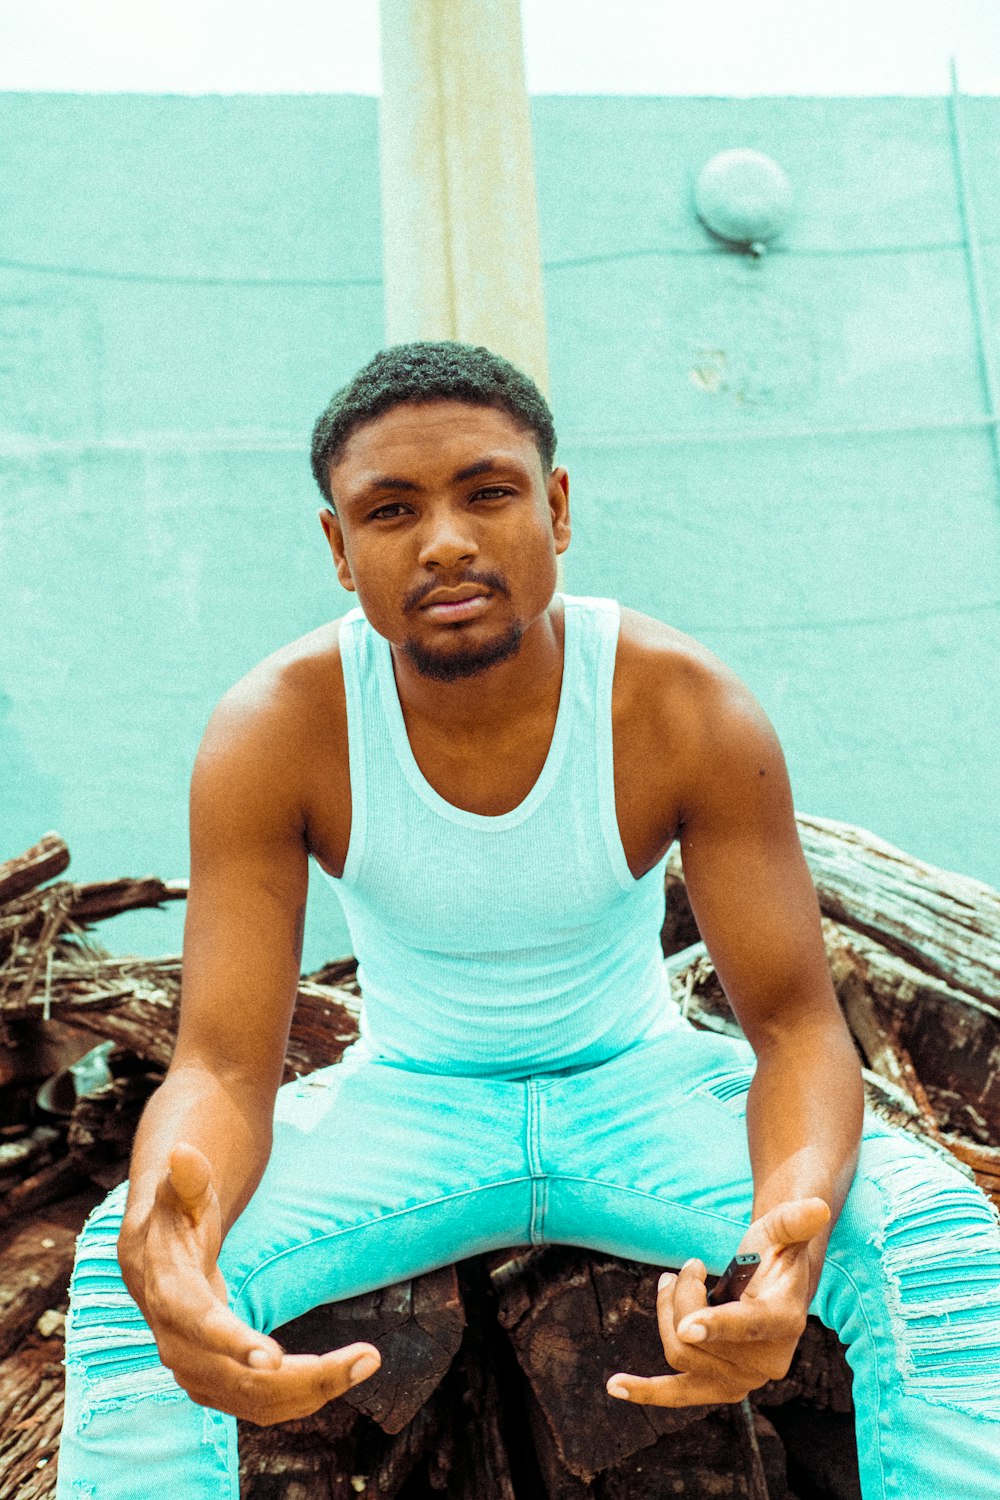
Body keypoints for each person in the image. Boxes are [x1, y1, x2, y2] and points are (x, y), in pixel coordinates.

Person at [57, 342, 1000, 1498]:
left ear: (555, 508)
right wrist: (169, 1214)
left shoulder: (680, 703)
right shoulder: (276, 727)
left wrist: (781, 1239)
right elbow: (220, 1063)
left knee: (934, 1250)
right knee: (132, 1276)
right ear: (337, 550)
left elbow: (799, 1029)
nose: (445, 538)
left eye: (487, 491)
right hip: (407, 1106)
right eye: (391, 510)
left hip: (641, 1088)